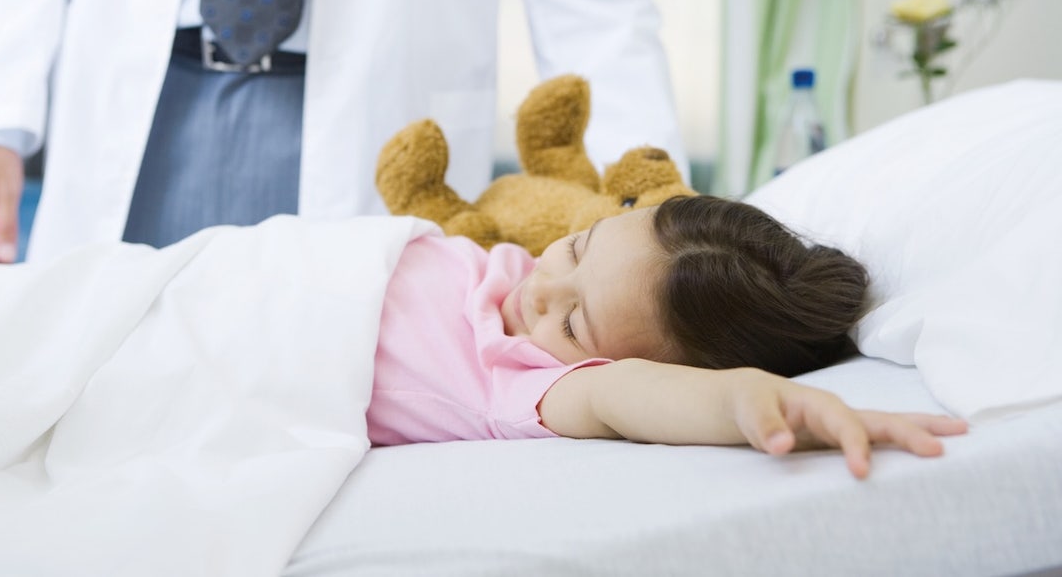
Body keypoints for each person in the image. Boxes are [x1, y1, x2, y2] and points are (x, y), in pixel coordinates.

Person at [0, 0, 689, 265]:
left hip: (374, 129)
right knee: (98, 423)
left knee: (326, 450)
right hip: (147, 107)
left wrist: (650, 212)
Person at [367, 195, 966, 478]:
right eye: (578, 247)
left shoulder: (520, 382)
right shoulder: (518, 273)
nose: (544, 291)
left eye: (573, 325)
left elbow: (631, 393)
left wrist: (747, 402)